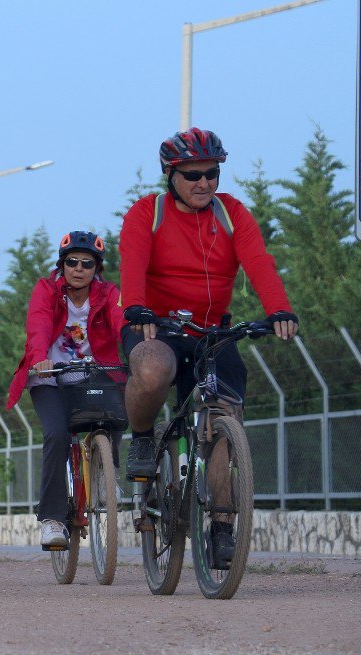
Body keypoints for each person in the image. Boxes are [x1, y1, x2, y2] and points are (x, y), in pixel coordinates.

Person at [119, 127, 298, 567]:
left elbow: (258, 261)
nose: (204, 183)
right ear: (171, 175)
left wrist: (279, 309)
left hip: (211, 332)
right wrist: (138, 308)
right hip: (155, 326)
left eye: (212, 174)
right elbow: (133, 261)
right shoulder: (148, 212)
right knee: (152, 370)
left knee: (223, 418)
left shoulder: (233, 212)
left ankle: (221, 527)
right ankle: (142, 438)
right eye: (193, 175)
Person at [6, 231, 126, 548]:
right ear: (62, 264)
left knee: (117, 416)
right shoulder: (47, 290)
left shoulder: (108, 292)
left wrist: (137, 347)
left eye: (87, 263)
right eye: (72, 262)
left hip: (94, 375)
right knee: (57, 435)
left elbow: (120, 321)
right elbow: (39, 323)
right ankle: (52, 520)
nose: (78, 268)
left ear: (96, 268)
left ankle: (104, 473)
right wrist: (39, 358)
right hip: (51, 377)